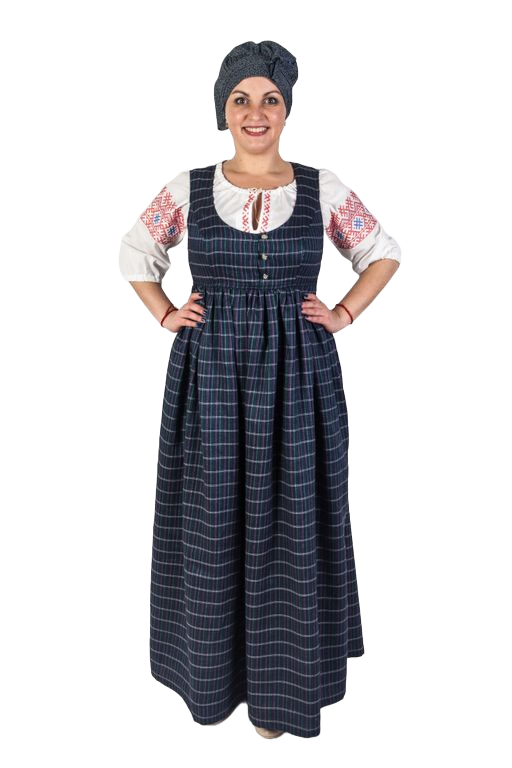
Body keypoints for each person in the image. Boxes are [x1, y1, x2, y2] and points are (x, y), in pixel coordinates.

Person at [118, 40, 401, 740]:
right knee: (212, 518)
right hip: (210, 372)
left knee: (295, 517)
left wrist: (344, 313)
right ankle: (215, 681)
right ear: (223, 110)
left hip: (300, 375)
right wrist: (165, 313)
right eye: (241, 99)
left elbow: (382, 252)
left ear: (286, 110)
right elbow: (135, 253)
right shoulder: (189, 188)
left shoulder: (320, 187)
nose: (255, 112)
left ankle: (281, 692)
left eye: (269, 99)